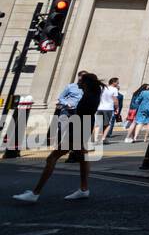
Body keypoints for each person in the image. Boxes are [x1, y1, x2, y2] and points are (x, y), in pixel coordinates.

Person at [14, 72, 103, 202]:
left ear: (86, 83)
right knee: (83, 158)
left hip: (78, 130)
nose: (79, 84)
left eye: (81, 82)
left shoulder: (88, 97)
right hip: (84, 128)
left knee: (52, 158)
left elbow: (81, 116)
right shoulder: (95, 93)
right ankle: (84, 189)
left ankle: (35, 193)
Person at [94, 77, 121, 144]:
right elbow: (115, 100)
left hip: (100, 108)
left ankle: (95, 138)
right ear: (113, 82)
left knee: (98, 124)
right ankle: (103, 138)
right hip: (108, 108)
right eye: (117, 82)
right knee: (108, 124)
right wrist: (117, 108)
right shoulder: (114, 89)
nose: (118, 83)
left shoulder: (103, 88)